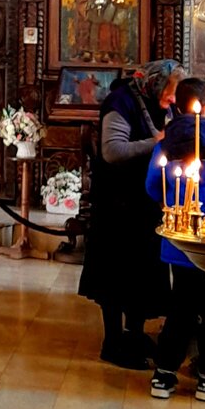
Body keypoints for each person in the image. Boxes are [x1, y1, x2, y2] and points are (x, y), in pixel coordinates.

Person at [78, 58, 184, 367]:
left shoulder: (156, 103)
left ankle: (134, 334)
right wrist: (156, 142)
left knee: (142, 271)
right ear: (155, 84)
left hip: (144, 201)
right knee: (116, 273)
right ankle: (113, 342)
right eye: (170, 92)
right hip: (117, 204)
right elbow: (113, 151)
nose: (173, 99)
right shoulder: (120, 101)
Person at [144, 77, 205, 402]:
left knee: (180, 307)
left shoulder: (167, 142)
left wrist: (172, 202)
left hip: (180, 237)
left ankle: (164, 375)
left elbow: (153, 184)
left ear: (176, 106)